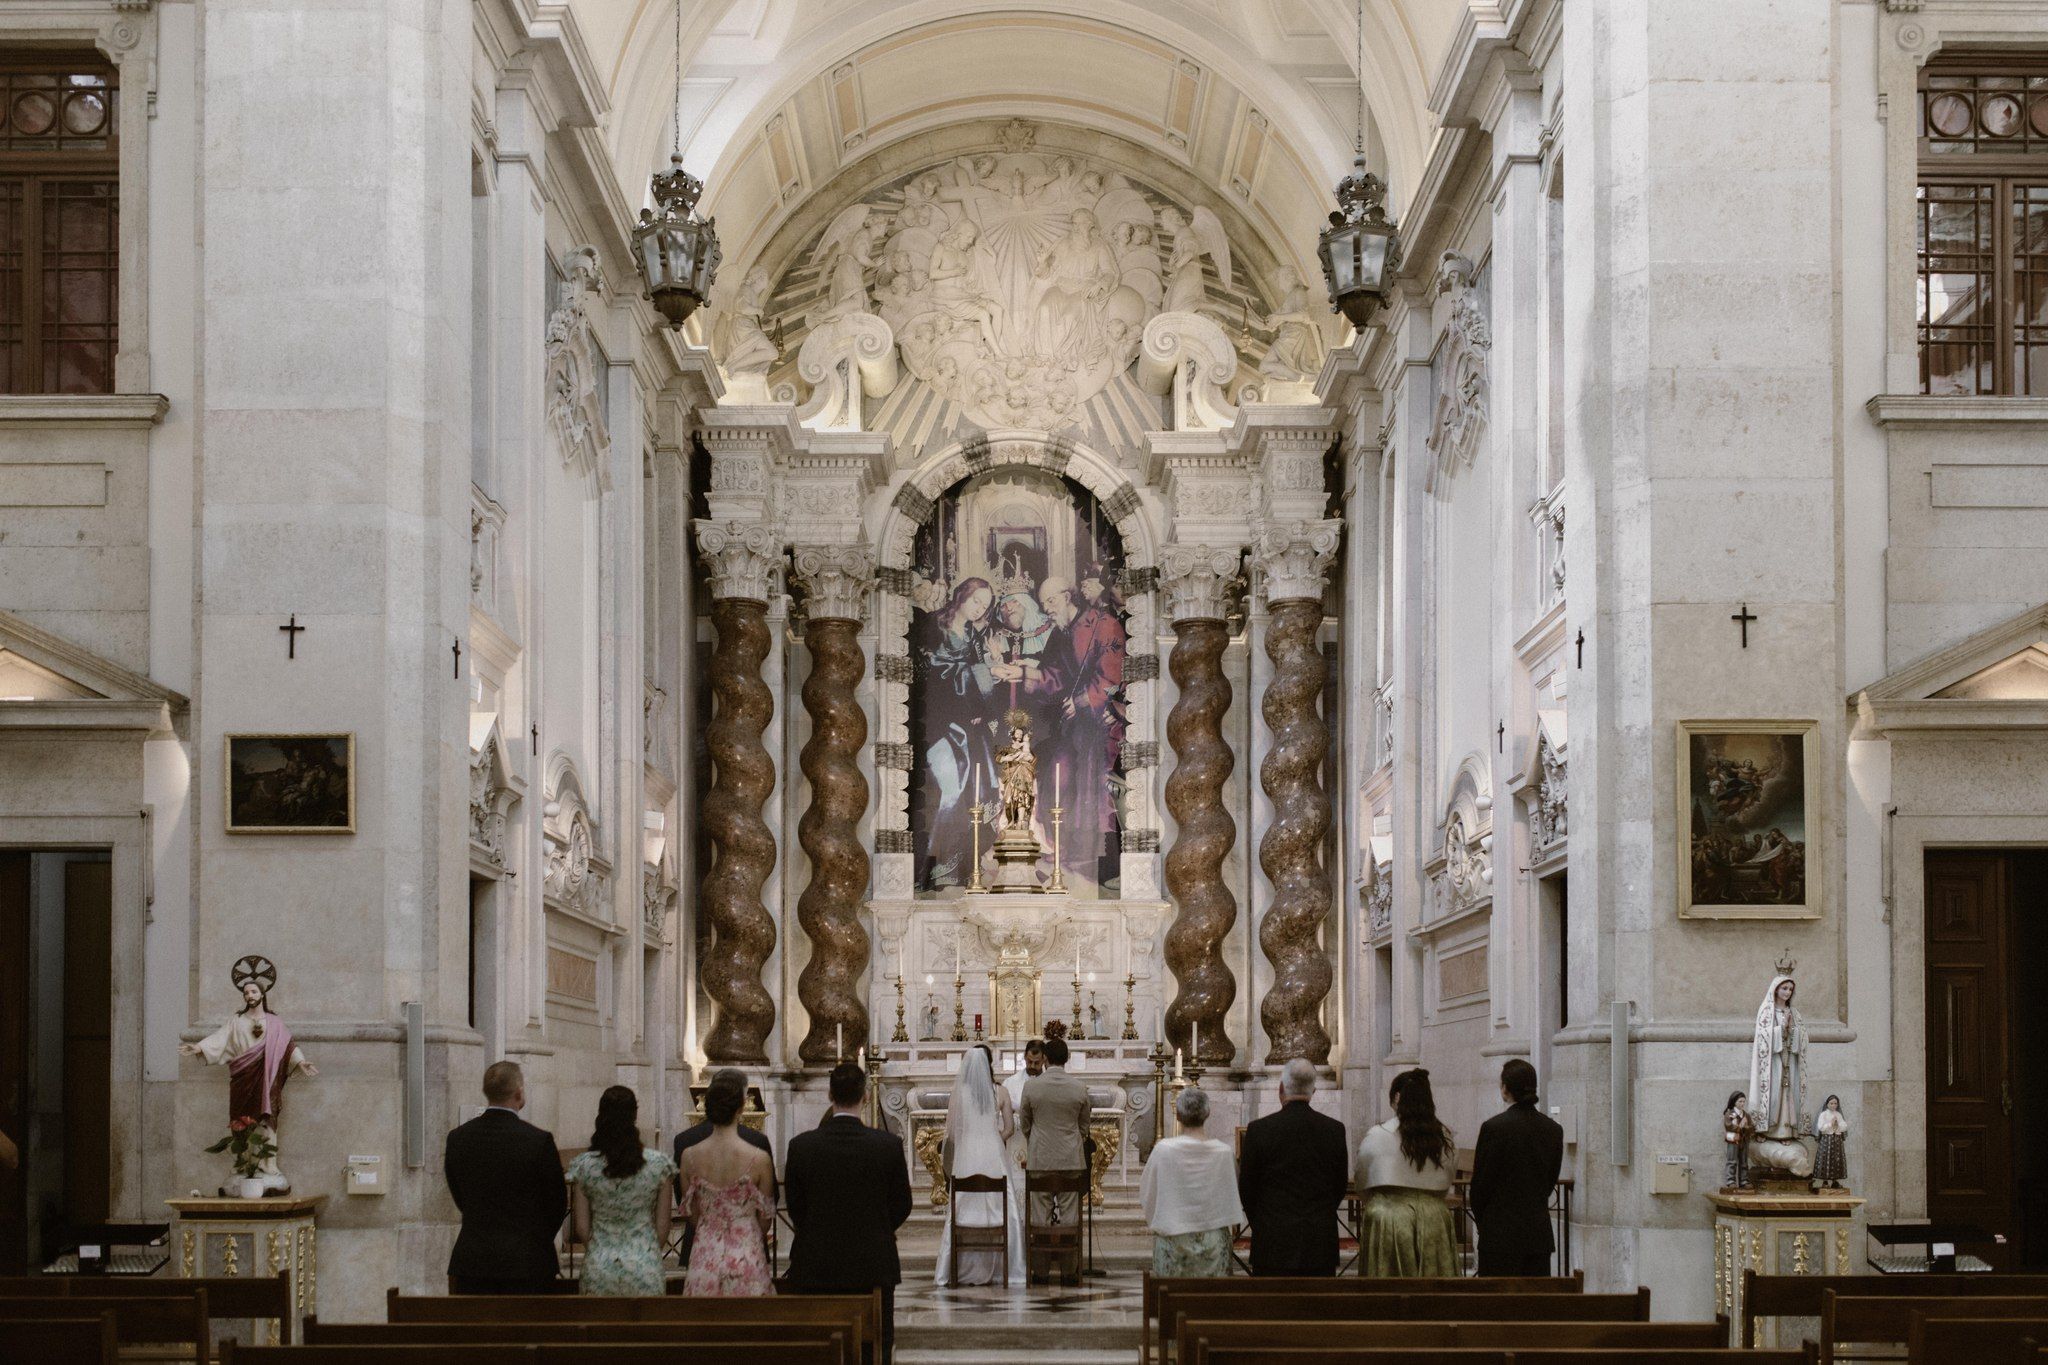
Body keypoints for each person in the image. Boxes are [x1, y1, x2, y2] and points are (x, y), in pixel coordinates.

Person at [786, 1063, 913, 1362]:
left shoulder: (801, 1146)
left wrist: (818, 1228)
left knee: (817, 1345)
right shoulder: (887, 1145)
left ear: (829, 1094)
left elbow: (795, 1206)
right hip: (872, 1261)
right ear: (866, 1096)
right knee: (875, 1347)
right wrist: (878, 1227)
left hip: (816, 1261)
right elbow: (902, 1204)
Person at [180, 959, 317, 1191]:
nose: (249, 995)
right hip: (242, 1079)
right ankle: (243, 1165)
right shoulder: (237, 1021)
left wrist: (301, 1061)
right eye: (246, 992)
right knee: (240, 1122)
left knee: (266, 1120)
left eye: (253, 991)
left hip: (267, 1081)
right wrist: (199, 1047)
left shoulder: (274, 1023)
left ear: (262, 994)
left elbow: (288, 1045)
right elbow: (220, 1038)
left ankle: (268, 1166)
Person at [444, 1061, 568, 1294]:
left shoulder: (458, 1138)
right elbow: (557, 1203)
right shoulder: (538, 1140)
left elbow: (459, 1194)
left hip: (474, 1262)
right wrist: (536, 1239)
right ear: (519, 1092)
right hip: (528, 1263)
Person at [1237, 1058, 1350, 1276]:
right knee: (1317, 1309)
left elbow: (1247, 1189)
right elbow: (1340, 1185)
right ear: (1313, 1090)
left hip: (1272, 1240)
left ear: (1281, 1088)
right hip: (1319, 1241)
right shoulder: (1334, 1130)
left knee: (1273, 1309)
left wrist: (1264, 1223)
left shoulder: (1259, 1130)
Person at [567, 1086, 675, 1295]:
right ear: (635, 1115)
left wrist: (600, 1252)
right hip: (645, 1266)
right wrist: (647, 1253)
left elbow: (581, 1227)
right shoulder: (658, 1164)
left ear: (601, 1115)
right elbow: (662, 1227)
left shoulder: (584, 1166)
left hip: (599, 1266)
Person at [677, 1070, 775, 1296]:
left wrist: (710, 1227)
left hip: (704, 1256)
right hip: (746, 1256)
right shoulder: (759, 1158)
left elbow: (690, 1213)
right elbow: (766, 1219)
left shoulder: (689, 1156)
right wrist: (744, 1230)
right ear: (741, 1107)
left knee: (704, 1326)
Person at [935, 1045, 1026, 1286]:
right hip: (993, 1153)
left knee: (964, 1207)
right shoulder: (1001, 1092)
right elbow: (1010, 1128)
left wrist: (969, 1138)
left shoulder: (959, 1093)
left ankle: (958, 1268)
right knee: (1000, 1205)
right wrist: (994, 1137)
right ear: (989, 1064)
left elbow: (952, 1133)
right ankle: (1007, 1268)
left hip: (967, 1153)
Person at [1467, 1059, 1564, 1276]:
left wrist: (1486, 1223)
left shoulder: (1494, 1128)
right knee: (1534, 1306)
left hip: (1499, 1235)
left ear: (1505, 1089)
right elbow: (1550, 1180)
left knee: (1497, 1307)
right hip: (1537, 1235)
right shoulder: (1553, 1129)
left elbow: (1480, 1186)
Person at [1358, 1068, 1458, 1277]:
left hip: (1389, 1216)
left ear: (1397, 1098)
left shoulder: (1377, 1135)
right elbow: (1447, 1180)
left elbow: (1362, 1178)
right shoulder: (1444, 1137)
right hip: (1433, 1217)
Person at [1140, 1087, 1244, 1276]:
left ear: (1178, 1115)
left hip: (1173, 1239)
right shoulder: (1224, 1152)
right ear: (1208, 1113)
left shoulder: (1163, 1150)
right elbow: (1234, 1190)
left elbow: (1148, 1193)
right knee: (1210, 1300)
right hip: (1214, 1242)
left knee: (1172, 1300)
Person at [1018, 1035, 1091, 1280]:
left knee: (1039, 1216)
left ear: (1046, 1059)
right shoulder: (1079, 1088)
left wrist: (1036, 1140)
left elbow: (1025, 1122)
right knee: (1071, 1216)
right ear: (1067, 1059)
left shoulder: (1032, 1087)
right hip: (1071, 1159)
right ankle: (1070, 1271)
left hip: (1040, 1159)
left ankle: (1039, 1271)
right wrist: (1070, 1141)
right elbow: (1084, 1126)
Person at [1748, 973, 1806, 1139]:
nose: (1787, 992)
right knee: (1773, 1092)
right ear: (1775, 990)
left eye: (1790, 990)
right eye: (1784, 988)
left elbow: (1803, 1036)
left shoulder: (1794, 1012)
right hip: (1772, 1061)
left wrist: (1792, 1030)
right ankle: (1767, 1130)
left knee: (1788, 1091)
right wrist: (1781, 1028)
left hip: (1789, 1057)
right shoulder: (1767, 1011)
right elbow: (1762, 1036)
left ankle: (1786, 1132)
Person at [1003, 1041, 1046, 1165]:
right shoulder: (1010, 1083)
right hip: (1018, 1136)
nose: (1032, 1066)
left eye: (1036, 1063)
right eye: (1029, 1061)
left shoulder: (1050, 1083)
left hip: (1044, 1137)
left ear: (1044, 1059)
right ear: (1025, 1057)